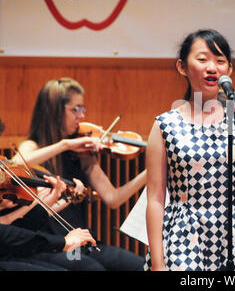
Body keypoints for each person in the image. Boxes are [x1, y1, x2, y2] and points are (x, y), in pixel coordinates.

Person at [145, 29, 235, 271]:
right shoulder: (165, 125)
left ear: (229, 70)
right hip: (183, 236)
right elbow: (156, 200)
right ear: (182, 67)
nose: (212, 67)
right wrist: (158, 264)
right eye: (202, 59)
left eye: (220, 61)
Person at [12, 77, 146, 271]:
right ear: (54, 111)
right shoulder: (32, 146)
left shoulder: (82, 153)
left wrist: (149, 172)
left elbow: (113, 198)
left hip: (84, 243)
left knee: (141, 266)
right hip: (50, 246)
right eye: (75, 109)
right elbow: (14, 164)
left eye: (82, 109)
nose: (82, 116)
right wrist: (64, 144)